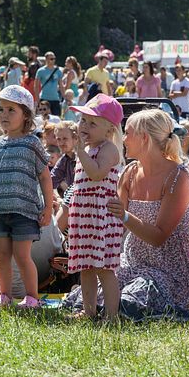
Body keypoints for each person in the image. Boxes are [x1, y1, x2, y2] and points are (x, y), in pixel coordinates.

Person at [76, 109, 189, 320]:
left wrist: (124, 216)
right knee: (93, 294)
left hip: (168, 271)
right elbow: (113, 219)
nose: (123, 139)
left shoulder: (179, 177)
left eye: (128, 133)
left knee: (129, 303)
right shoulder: (131, 171)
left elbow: (158, 237)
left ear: (144, 138)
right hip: (132, 263)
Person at [0, 85, 52, 308]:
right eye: (1, 110)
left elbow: (45, 178)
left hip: (25, 210)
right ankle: (5, 296)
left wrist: (48, 207)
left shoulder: (32, 144)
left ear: (26, 115)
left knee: (21, 255)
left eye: (11, 110)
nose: (4, 115)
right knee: (0, 255)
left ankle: (32, 298)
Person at [66, 94, 124, 319]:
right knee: (86, 267)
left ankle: (111, 316)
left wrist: (79, 151)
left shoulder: (108, 149)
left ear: (110, 130)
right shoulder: (87, 150)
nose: (84, 127)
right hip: (84, 215)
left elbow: (97, 173)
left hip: (100, 217)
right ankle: (88, 311)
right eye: (83, 121)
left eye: (92, 123)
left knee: (104, 268)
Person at [51, 121, 78, 196]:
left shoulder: (83, 158)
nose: (61, 143)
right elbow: (51, 181)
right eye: (58, 139)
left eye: (65, 138)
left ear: (75, 139)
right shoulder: (64, 160)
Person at [35, 52, 64, 116]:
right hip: (44, 98)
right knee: (43, 119)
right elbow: (36, 86)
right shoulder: (40, 71)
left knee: (56, 119)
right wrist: (37, 101)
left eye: (54, 58)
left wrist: (65, 98)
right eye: (51, 58)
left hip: (55, 98)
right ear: (46, 59)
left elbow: (61, 86)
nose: (53, 60)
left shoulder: (58, 71)